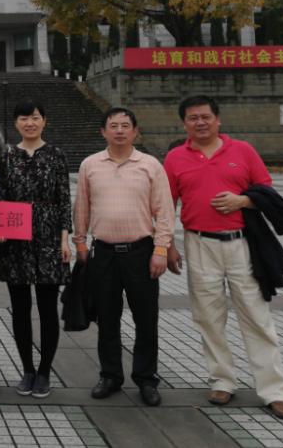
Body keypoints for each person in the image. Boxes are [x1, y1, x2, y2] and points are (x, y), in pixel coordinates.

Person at [164, 95, 283, 420]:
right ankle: (222, 380)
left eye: (205, 116)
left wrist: (243, 201)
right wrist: (167, 245)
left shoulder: (243, 151)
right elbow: (166, 204)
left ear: (218, 119)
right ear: (184, 124)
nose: (200, 122)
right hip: (198, 243)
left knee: (256, 316)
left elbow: (266, 190)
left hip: (241, 243)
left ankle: (275, 391)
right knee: (208, 316)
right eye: (193, 118)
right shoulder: (176, 157)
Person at [73, 107, 174, 407]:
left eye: (125, 125)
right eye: (113, 125)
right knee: (107, 317)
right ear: (103, 132)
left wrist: (161, 249)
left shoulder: (150, 165)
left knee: (146, 318)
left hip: (141, 252)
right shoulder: (90, 165)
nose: (119, 130)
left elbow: (164, 211)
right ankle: (110, 376)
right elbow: (82, 206)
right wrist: (80, 243)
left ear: (135, 131)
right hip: (103, 253)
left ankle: (146, 378)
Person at [0, 100, 71, 399]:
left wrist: (64, 238)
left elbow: (64, 199)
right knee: (20, 307)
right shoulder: (7, 156)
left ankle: (44, 371)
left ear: (44, 121)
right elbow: (0, 196)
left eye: (35, 117)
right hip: (15, 238)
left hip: (49, 236)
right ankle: (27, 369)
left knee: (48, 307)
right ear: (16, 123)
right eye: (24, 118)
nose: (30, 123)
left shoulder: (56, 155)